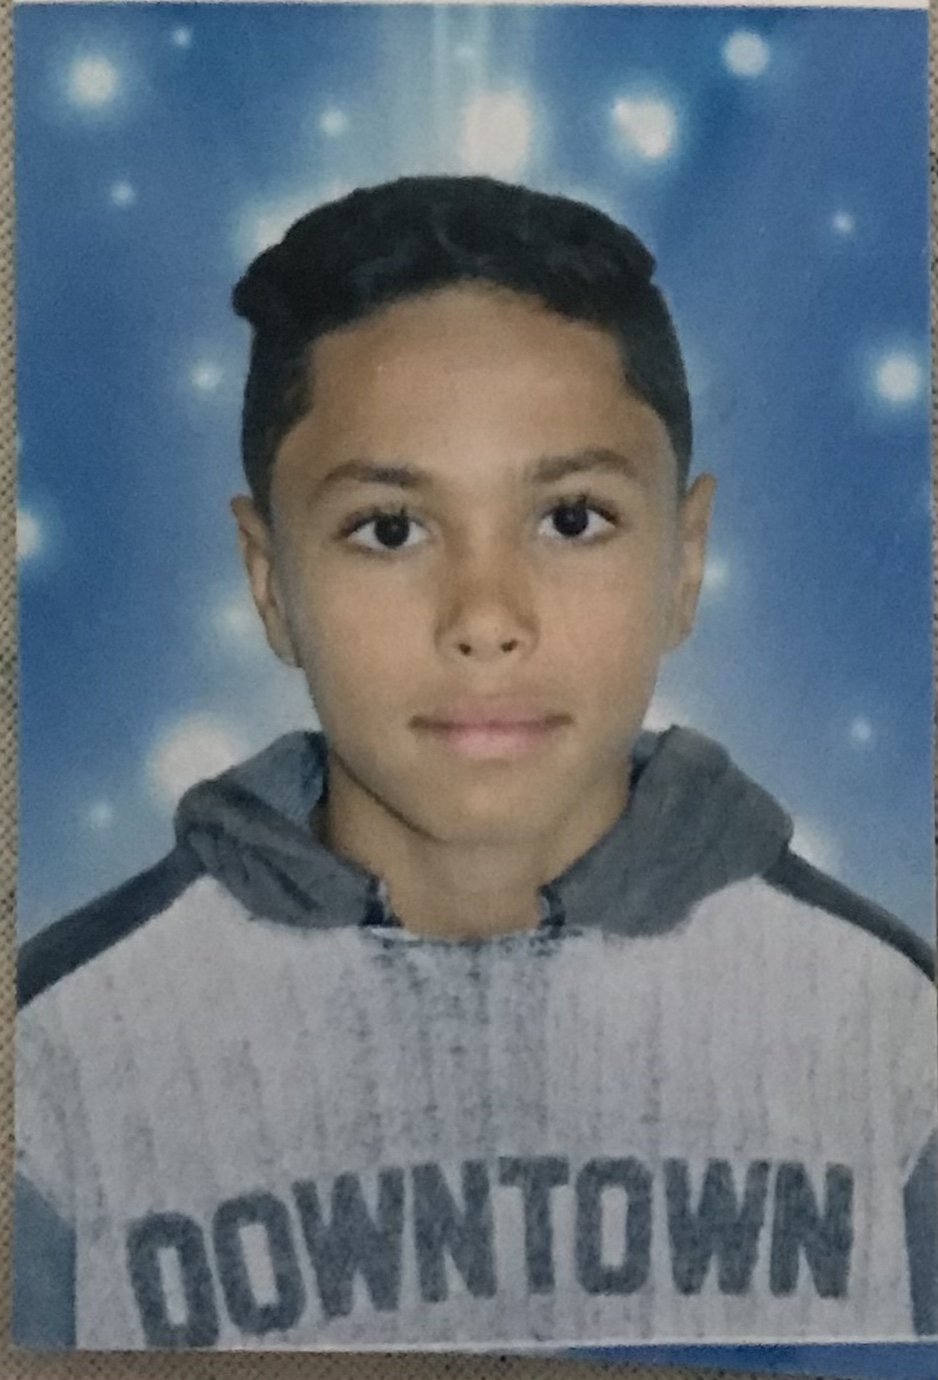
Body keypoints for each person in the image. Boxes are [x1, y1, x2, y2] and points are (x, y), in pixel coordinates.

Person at [14, 176, 936, 1352]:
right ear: (269, 581)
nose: (486, 619)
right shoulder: (59, 1062)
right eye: (390, 529)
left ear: (683, 560)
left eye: (571, 519)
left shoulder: (886, 1036)